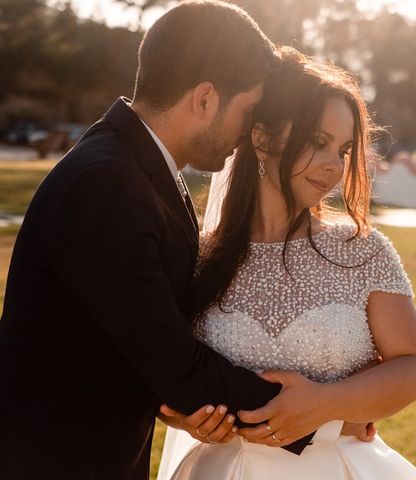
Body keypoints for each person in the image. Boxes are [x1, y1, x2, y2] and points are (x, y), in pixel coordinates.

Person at [0, 2, 327, 478]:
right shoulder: (106, 185)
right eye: (247, 111)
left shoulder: (136, 169)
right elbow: (179, 365)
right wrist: (322, 413)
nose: (246, 132)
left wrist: (170, 403)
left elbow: (133, 332)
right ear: (205, 99)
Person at [158, 47, 416, 480]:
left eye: (344, 150)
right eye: (317, 142)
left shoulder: (362, 251)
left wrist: (328, 403)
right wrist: (186, 419)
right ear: (262, 138)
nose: (333, 166)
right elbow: (169, 380)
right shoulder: (199, 259)